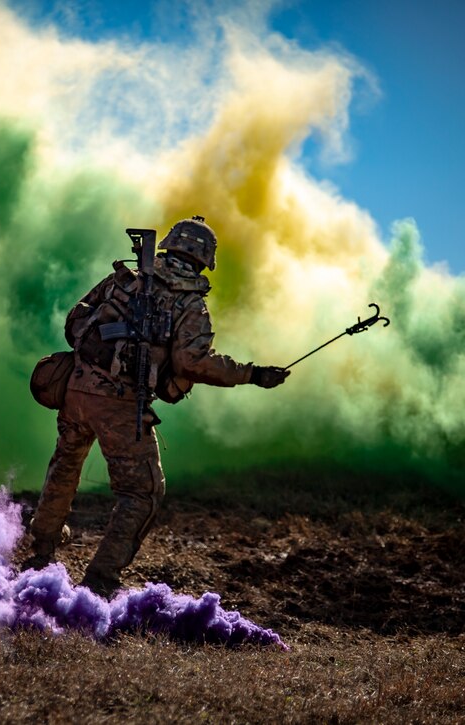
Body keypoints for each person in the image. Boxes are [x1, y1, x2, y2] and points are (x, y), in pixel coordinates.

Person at [23, 216, 290, 597]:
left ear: (168, 245)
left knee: (65, 467)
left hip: (76, 390)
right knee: (141, 494)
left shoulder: (125, 279)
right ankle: (99, 581)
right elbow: (192, 363)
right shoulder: (190, 305)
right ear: (204, 260)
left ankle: (42, 550)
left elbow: (74, 321)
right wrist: (252, 374)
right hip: (121, 404)